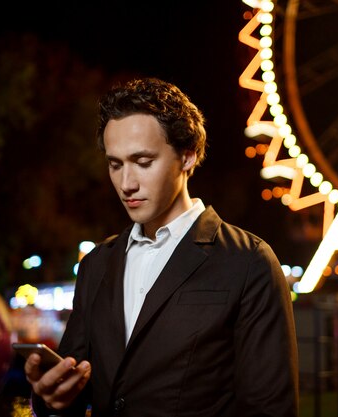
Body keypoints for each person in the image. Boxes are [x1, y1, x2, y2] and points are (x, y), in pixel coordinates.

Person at [25, 77, 299, 416]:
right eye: (115, 164)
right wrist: (50, 399)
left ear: (187, 157)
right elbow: (75, 386)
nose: (127, 183)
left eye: (143, 162)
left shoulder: (249, 262)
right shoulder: (96, 264)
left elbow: (269, 408)